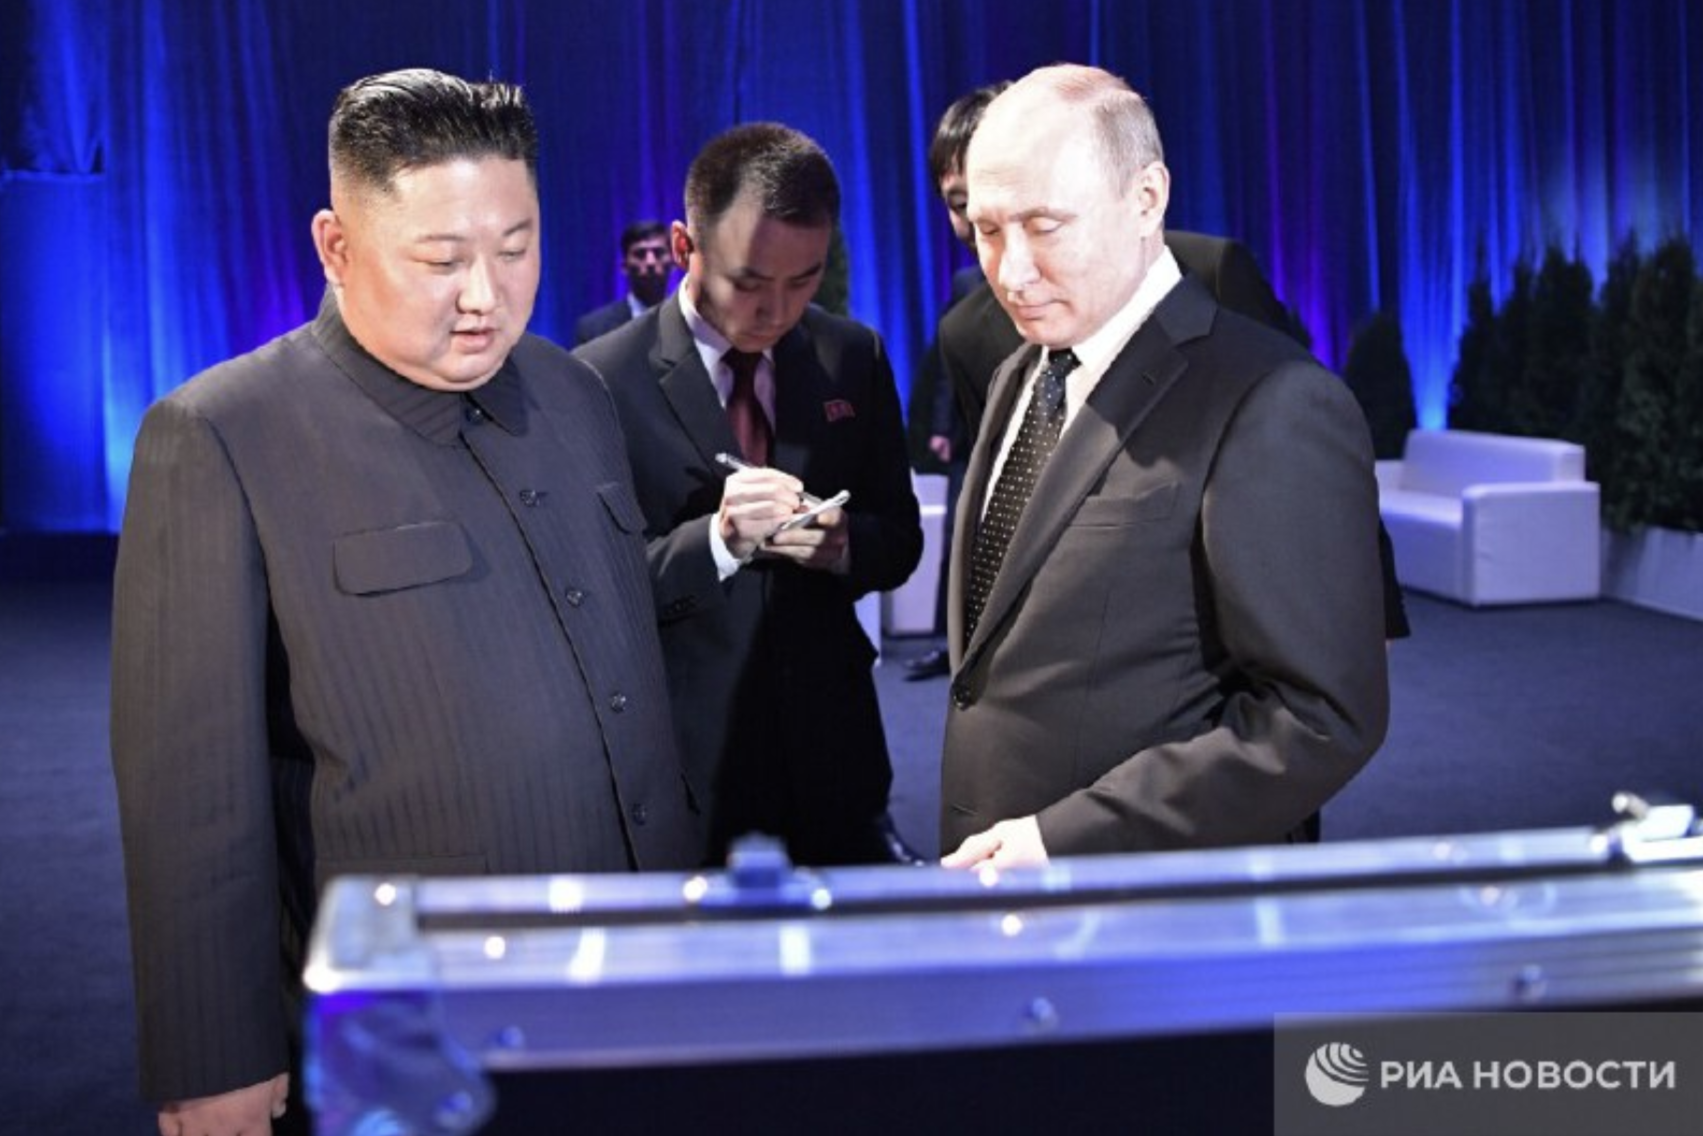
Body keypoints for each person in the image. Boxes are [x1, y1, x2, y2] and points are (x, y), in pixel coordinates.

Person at [110, 68, 700, 1136]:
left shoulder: (572, 393)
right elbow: (189, 794)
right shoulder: (224, 435)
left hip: (636, 970)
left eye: (515, 248)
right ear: (335, 247)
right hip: (410, 1016)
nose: (485, 295)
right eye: (441, 260)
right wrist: (216, 1054)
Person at [938, 64, 1390, 868]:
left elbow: (1318, 718)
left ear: (1146, 198)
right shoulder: (1020, 373)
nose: (1009, 270)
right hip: (997, 886)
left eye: (1044, 225)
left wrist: (1064, 839)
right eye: (987, 229)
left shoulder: (1271, 400)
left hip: (1155, 898)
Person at [574, 122, 924, 867]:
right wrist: (717, 543)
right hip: (686, 758)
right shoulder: (600, 379)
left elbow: (899, 540)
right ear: (683, 247)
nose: (778, 311)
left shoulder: (850, 355)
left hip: (835, 745)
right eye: (749, 282)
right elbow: (588, 594)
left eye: (804, 280)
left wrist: (842, 545)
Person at [574, 219, 674, 344]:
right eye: (640, 254)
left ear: (673, 263)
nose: (650, 262)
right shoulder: (594, 329)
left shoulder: (689, 321)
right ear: (624, 266)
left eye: (658, 253)